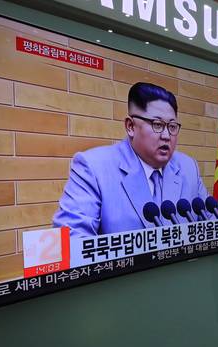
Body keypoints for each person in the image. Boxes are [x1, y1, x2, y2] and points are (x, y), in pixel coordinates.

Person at [53, 82, 208, 237]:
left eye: (172, 127)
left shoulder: (189, 168)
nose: (166, 136)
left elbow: (212, 226)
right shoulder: (93, 167)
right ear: (130, 126)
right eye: (157, 124)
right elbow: (72, 239)